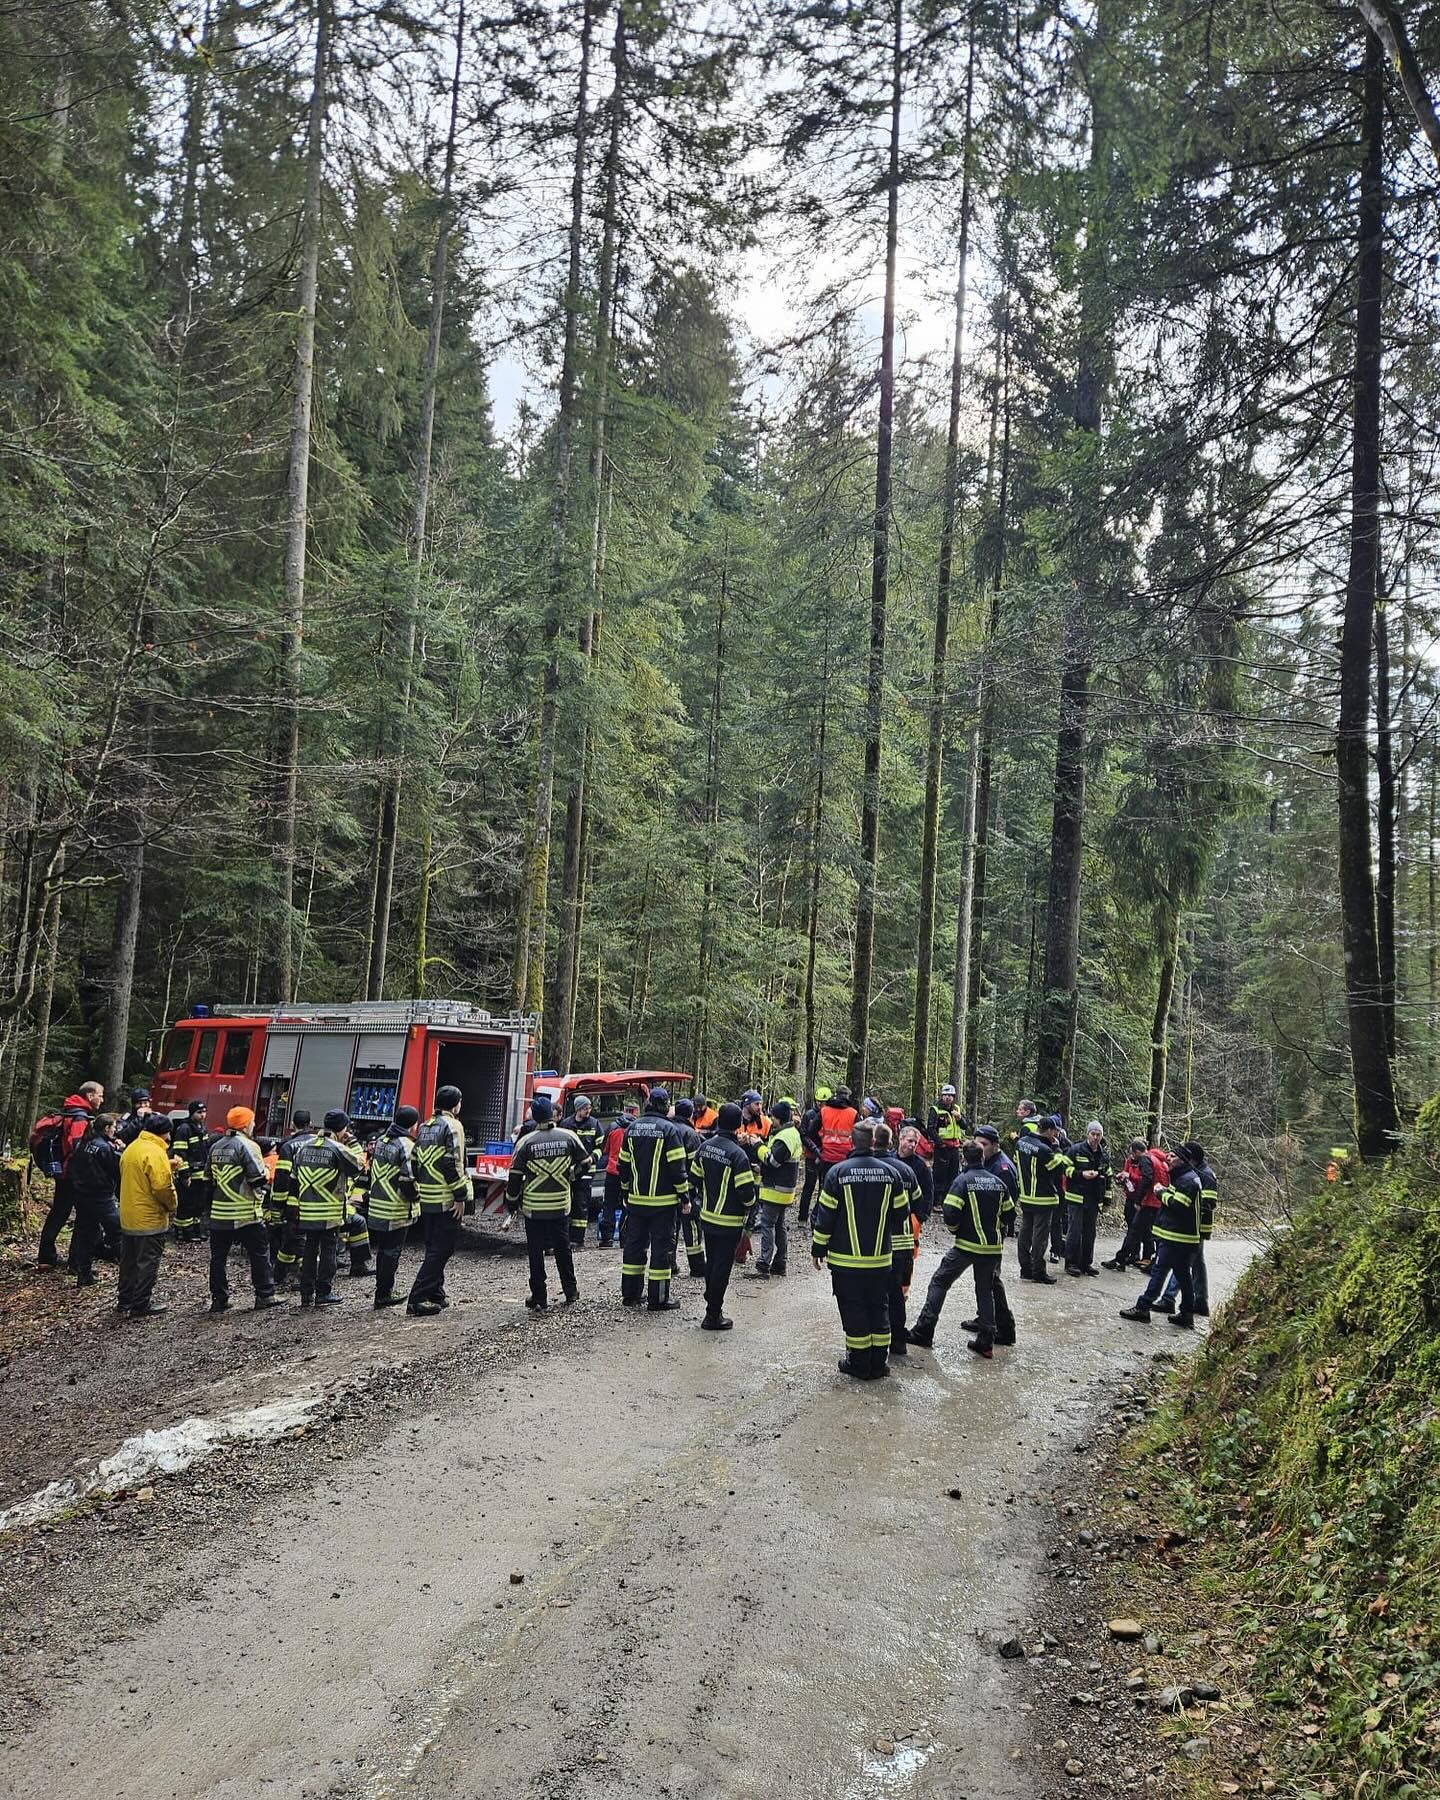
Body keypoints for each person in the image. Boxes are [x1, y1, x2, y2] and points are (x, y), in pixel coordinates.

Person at [811, 1119, 913, 1381]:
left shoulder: (837, 1173)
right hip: (880, 1260)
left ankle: (858, 1364)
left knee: (854, 1309)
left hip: (846, 1262)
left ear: (850, 1142)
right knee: (879, 1308)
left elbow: (825, 1217)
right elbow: (902, 1213)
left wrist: (818, 1247)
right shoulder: (892, 1174)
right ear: (874, 1142)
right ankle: (879, 1363)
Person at [906, 1141, 1016, 1359]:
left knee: (940, 1281)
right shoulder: (997, 1182)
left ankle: (924, 1331)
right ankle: (986, 1341)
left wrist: (957, 1230)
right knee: (985, 1291)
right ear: (982, 1158)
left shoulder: (962, 1181)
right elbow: (1009, 1215)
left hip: (966, 1245)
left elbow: (951, 1212)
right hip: (992, 1247)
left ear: (964, 1159)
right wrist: (995, 1228)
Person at [505, 1096, 592, 1311]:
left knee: (535, 1251)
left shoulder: (526, 1142)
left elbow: (514, 1176)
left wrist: (512, 1203)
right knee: (563, 1248)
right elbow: (586, 1163)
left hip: (534, 1207)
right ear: (552, 1114)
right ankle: (570, 1291)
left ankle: (539, 1296)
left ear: (534, 1116)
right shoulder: (568, 1136)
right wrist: (571, 1175)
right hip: (561, 1205)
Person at [618, 1086, 691, 1311]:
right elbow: (677, 1169)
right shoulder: (669, 1131)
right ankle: (658, 1299)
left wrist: (625, 1193)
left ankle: (630, 1295)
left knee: (633, 1247)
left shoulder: (632, 1128)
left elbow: (623, 1165)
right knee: (661, 1250)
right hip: (664, 1204)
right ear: (664, 1105)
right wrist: (685, 1197)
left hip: (637, 1202)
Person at [207, 1106, 286, 1313]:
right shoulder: (248, 1146)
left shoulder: (216, 1146)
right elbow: (257, 1179)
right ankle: (264, 1295)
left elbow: (208, 1178)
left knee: (218, 1258)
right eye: (251, 1122)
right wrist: (268, 1171)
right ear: (245, 1124)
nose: (253, 1125)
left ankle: (219, 1299)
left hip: (219, 1213)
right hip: (245, 1213)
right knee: (259, 1254)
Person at [1120, 1143, 1202, 1327]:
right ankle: (1187, 1313)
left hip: (1177, 1238)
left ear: (1182, 1160)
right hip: (1181, 1237)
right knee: (1182, 1275)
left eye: (1172, 1156)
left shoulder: (1187, 1180)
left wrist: (1160, 1192)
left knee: (1159, 1271)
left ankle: (1143, 1307)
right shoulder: (1183, 1177)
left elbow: (1179, 1205)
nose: (1168, 1159)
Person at [692, 1102, 758, 1331]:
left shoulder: (705, 1147)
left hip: (708, 1218)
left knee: (712, 1263)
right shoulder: (738, 1156)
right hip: (729, 1222)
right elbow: (746, 1194)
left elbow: (695, 1177)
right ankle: (712, 1314)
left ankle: (711, 1299)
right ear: (739, 1125)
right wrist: (751, 1204)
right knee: (722, 1267)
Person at [292, 1111, 366, 1309]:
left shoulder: (303, 1147)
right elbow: (360, 1165)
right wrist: (352, 1142)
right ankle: (324, 1293)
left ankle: (306, 1294)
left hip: (307, 1210)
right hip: (329, 1212)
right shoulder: (338, 1148)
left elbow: (294, 1177)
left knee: (309, 1251)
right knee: (328, 1252)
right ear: (342, 1129)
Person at [407, 1085, 468, 1317]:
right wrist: (460, 1195)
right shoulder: (453, 1126)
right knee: (442, 1249)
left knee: (433, 1246)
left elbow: (414, 1161)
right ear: (455, 1104)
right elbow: (451, 1162)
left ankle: (436, 1293)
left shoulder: (425, 1126)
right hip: (445, 1197)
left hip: (427, 1196)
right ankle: (418, 1298)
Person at [36, 1080, 103, 1269]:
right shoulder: (80, 1117)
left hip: (63, 1171)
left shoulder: (70, 1110)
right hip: (72, 1174)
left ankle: (47, 1255)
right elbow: (76, 1145)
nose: (102, 1099)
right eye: (100, 1095)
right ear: (90, 1096)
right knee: (83, 1213)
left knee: (60, 1211)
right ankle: (77, 1259)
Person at [117, 1113, 177, 1317]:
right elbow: (162, 1187)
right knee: (148, 1262)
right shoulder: (156, 1152)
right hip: (149, 1218)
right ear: (164, 1133)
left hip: (128, 1215)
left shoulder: (132, 1148)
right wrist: (172, 1205)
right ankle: (141, 1303)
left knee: (129, 1262)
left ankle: (124, 1300)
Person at [871, 1121, 920, 1355]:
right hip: (901, 1241)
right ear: (892, 1141)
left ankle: (873, 1339)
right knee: (896, 1293)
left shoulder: (869, 1167)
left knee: (873, 1293)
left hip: (875, 1241)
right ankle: (898, 1340)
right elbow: (917, 1201)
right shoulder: (906, 1170)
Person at [367, 1107, 420, 1309]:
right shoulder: (406, 1144)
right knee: (392, 1251)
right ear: (413, 1124)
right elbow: (407, 1179)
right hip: (396, 1207)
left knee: (383, 1250)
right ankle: (384, 1294)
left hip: (378, 1205)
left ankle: (382, 1291)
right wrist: (417, 1197)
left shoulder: (382, 1140)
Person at [1158, 1145, 1216, 1317]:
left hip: (1195, 1228)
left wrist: (1189, 1207)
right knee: (1197, 1264)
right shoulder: (1197, 1172)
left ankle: (1169, 1299)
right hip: (1194, 1227)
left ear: (1192, 1159)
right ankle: (1200, 1301)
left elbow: (1209, 1203)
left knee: (1182, 1264)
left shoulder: (1205, 1175)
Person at [68, 1113, 123, 1287]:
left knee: (85, 1234)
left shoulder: (82, 1144)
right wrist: (120, 1150)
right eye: (114, 1127)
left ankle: (83, 1274)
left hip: (82, 1196)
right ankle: (127, 1269)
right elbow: (117, 1168)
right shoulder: (105, 1148)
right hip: (101, 1197)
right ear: (107, 1128)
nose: (115, 1130)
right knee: (117, 1231)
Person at [1015, 1113, 1069, 1283]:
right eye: (1055, 1132)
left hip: (1025, 1196)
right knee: (1040, 1237)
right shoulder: (1045, 1150)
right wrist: (1057, 1148)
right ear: (1049, 1131)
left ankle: (1025, 1268)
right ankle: (1038, 1271)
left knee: (1025, 1233)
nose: (1055, 1135)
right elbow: (1059, 1169)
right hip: (1043, 1198)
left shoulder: (1021, 1143)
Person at [754, 1098, 803, 1278]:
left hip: (776, 1190)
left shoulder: (784, 1137)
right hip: (785, 1189)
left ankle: (763, 1265)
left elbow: (773, 1161)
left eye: (773, 1117)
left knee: (767, 1224)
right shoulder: (791, 1133)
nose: (771, 1120)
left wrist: (757, 1145)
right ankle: (779, 1263)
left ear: (779, 1118)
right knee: (780, 1225)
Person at [1103, 1141, 1163, 1272]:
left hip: (1149, 1202)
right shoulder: (1154, 1159)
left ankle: (1121, 1259)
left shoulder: (1145, 1159)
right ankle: (1128, 1259)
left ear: (1136, 1151)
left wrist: (1138, 1200)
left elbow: (1147, 1178)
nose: (1131, 1156)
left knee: (1135, 1231)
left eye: (1132, 1153)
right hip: (1156, 1201)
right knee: (1145, 1232)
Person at [270, 1108, 313, 1286]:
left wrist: (277, 1208)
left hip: (294, 1203)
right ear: (310, 1124)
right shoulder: (320, 1143)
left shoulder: (288, 1147)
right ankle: (282, 1275)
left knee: (294, 1238)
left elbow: (282, 1180)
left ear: (293, 1125)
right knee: (297, 1240)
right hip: (316, 1202)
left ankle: (297, 1277)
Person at [560, 1094, 605, 1251]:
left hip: (586, 1171)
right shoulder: (566, 1124)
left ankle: (578, 1240)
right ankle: (564, 1237)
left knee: (581, 1204)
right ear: (578, 1109)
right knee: (565, 1203)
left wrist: (592, 1158)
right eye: (586, 1108)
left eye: (589, 1108)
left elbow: (601, 1147)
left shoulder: (594, 1124)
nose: (589, 1110)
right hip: (567, 1171)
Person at [1064, 1120, 1109, 1276]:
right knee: (1075, 1231)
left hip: (1093, 1198)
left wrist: (1107, 1200)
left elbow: (1107, 1177)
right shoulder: (1075, 1150)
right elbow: (1065, 1169)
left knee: (1090, 1233)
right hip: (1076, 1196)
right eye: (1093, 1134)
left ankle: (1086, 1263)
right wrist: (1081, 1174)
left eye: (1098, 1134)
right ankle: (1071, 1263)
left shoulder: (1103, 1155)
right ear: (1088, 1134)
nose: (1096, 1137)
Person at [671, 1098, 707, 1276]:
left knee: (671, 1227)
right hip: (687, 1189)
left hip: (667, 1190)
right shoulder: (690, 1134)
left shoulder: (667, 1129)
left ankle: (670, 1264)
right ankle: (698, 1267)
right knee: (692, 1227)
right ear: (691, 1114)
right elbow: (696, 1165)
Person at [171, 1098, 212, 1240]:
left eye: (204, 1112)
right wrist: (185, 1175)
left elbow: (205, 1151)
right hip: (189, 1175)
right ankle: (183, 1232)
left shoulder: (202, 1128)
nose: (203, 1115)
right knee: (186, 1204)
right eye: (199, 1112)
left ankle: (196, 1230)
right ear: (192, 1113)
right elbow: (180, 1154)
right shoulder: (184, 1129)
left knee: (199, 1204)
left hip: (200, 1174)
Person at [598, 1101, 638, 1247]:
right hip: (629, 1172)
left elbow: (605, 1150)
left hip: (612, 1171)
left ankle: (606, 1238)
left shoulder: (612, 1127)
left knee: (609, 1205)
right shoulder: (637, 1128)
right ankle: (625, 1238)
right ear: (635, 1112)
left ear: (624, 1110)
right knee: (627, 1205)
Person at [797, 1085, 831, 1223]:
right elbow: (803, 1134)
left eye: (823, 1102)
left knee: (823, 1187)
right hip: (812, 1155)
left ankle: (818, 1217)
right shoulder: (810, 1114)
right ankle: (802, 1218)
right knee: (809, 1186)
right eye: (818, 1102)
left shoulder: (830, 1115)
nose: (820, 1105)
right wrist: (815, 1149)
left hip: (826, 1155)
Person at [926, 1085, 967, 1197]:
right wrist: (941, 1144)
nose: (947, 1098)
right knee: (940, 1174)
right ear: (942, 1096)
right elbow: (930, 1129)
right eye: (945, 1095)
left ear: (953, 1097)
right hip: (942, 1147)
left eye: (950, 1095)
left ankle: (949, 1198)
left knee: (953, 1174)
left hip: (955, 1147)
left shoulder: (956, 1109)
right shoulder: (936, 1109)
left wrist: (959, 1118)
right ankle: (937, 1200)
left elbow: (965, 1126)